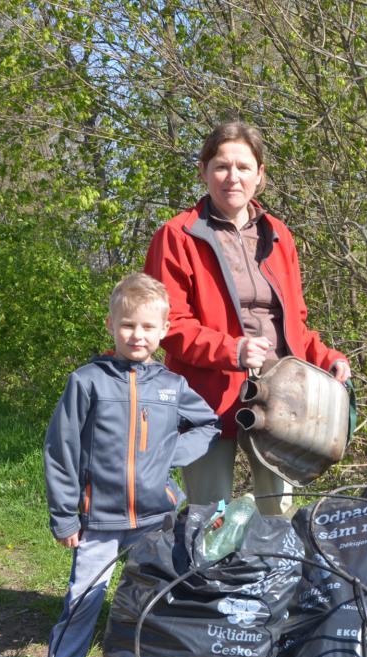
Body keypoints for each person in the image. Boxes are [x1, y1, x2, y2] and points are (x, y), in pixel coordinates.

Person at [19, 273, 220, 657]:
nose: (138, 335)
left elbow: (208, 424)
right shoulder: (87, 382)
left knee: (161, 606)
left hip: (155, 521)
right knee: (82, 603)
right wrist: (65, 515)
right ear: (111, 325)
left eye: (148, 327)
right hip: (99, 522)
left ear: (164, 330)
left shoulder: (172, 385)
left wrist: (168, 456)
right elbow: (61, 449)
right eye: (128, 325)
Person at [145, 120, 351, 514]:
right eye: (221, 166)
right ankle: (206, 558)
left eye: (243, 167)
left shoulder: (279, 236)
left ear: (260, 175)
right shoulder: (176, 236)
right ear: (203, 171)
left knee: (281, 518)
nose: (232, 177)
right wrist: (232, 350)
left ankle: (274, 558)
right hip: (206, 399)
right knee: (210, 518)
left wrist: (328, 359)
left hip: (283, 399)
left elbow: (294, 324)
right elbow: (169, 325)